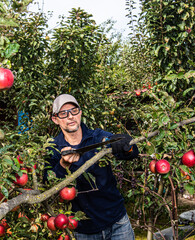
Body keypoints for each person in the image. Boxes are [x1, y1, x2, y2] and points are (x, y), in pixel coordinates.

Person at [46, 94, 139, 240]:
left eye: (74, 110)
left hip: (117, 222)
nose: (70, 116)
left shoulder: (97, 137)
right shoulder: (53, 149)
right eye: (63, 113)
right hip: (84, 231)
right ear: (55, 119)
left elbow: (130, 153)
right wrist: (63, 165)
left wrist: (125, 145)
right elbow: (49, 185)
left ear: (80, 112)